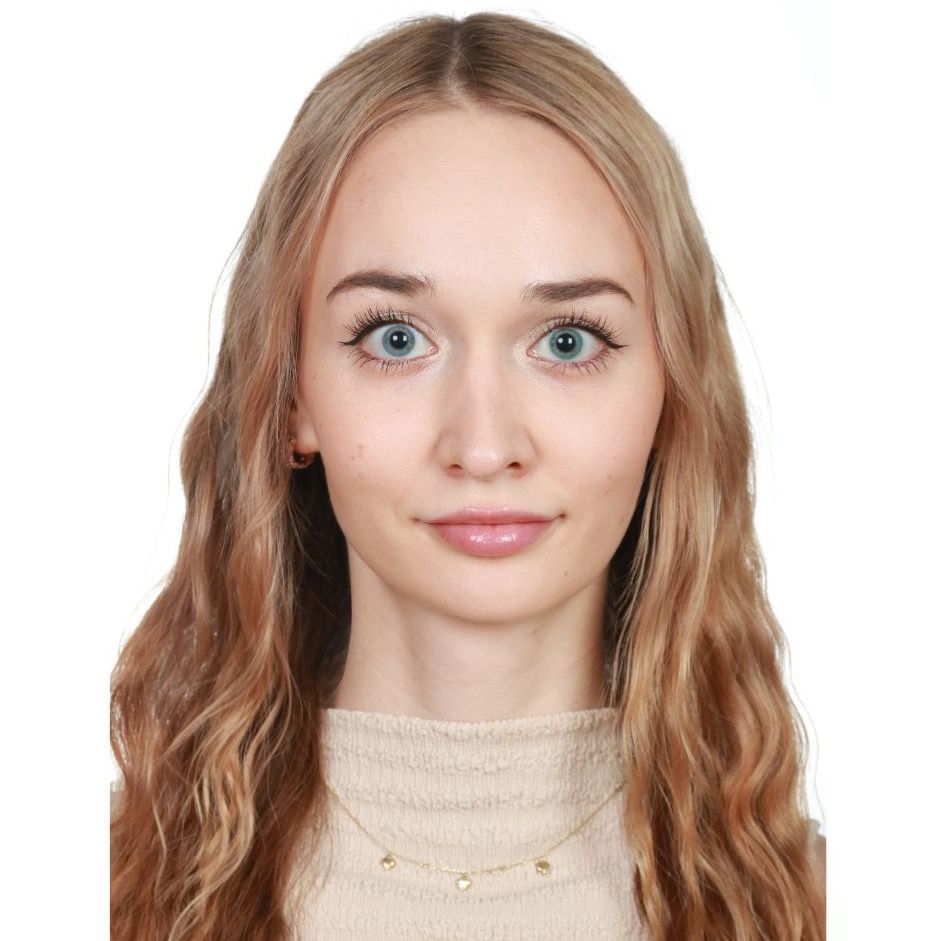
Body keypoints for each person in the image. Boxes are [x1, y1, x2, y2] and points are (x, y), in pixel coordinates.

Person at [110, 12, 825, 940]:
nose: (484, 447)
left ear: (671, 392)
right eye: (394, 338)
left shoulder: (827, 907)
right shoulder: (100, 893)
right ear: (289, 395)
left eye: (566, 341)